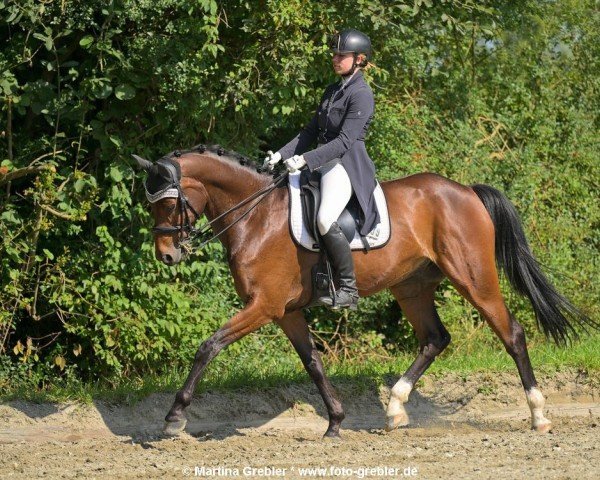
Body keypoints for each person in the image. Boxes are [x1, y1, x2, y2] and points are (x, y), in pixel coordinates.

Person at [264, 28, 379, 310]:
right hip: (324, 161)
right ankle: (316, 279)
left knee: (325, 219)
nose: (335, 58)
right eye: (335, 54)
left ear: (360, 59)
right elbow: (310, 132)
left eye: (342, 55)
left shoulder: (362, 95)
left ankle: (348, 289)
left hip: (347, 164)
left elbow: (343, 142)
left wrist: (305, 160)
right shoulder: (332, 91)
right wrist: (281, 154)